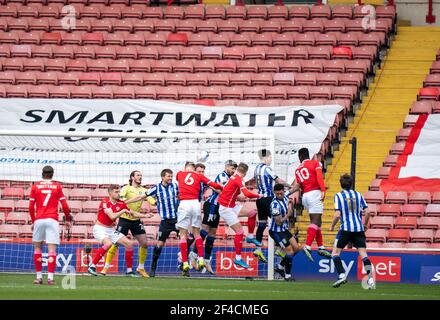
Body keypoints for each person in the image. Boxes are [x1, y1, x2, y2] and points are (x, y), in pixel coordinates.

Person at [124, 169, 179, 277]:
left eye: (171, 176)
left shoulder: (175, 186)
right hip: (165, 221)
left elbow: (183, 195)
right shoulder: (156, 188)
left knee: (187, 238)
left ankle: (184, 264)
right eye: (168, 176)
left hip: (177, 219)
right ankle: (153, 267)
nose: (170, 178)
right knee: (159, 245)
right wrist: (126, 202)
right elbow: (141, 197)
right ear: (163, 177)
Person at [87, 185, 151, 276]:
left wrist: (145, 216)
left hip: (110, 229)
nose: (119, 194)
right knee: (108, 243)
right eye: (116, 192)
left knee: (129, 244)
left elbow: (132, 213)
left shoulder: (121, 203)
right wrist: (123, 211)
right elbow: (112, 216)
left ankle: (129, 271)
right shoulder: (105, 202)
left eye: (119, 192)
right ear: (110, 193)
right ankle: (92, 266)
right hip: (99, 228)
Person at [176, 161, 223, 276]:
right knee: (194, 235)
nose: (201, 173)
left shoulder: (181, 174)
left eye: (203, 171)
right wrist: (224, 187)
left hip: (187, 205)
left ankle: (186, 259)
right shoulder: (199, 177)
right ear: (194, 170)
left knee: (188, 235)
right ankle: (193, 258)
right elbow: (214, 185)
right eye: (199, 171)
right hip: (194, 206)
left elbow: (213, 187)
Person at [329, 174, 375, 289]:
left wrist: (332, 225)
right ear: (351, 183)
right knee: (363, 255)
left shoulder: (338, 196)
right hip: (358, 229)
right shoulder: (358, 195)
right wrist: (365, 224)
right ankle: (370, 280)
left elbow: (338, 214)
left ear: (341, 184)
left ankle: (342, 275)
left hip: (345, 229)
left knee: (335, 253)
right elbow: (368, 212)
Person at [101, 171, 150, 277]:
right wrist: (136, 199)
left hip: (136, 220)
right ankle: (106, 266)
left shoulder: (144, 190)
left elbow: (151, 200)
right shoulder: (126, 189)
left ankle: (140, 268)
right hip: (124, 219)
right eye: (138, 175)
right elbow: (121, 202)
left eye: (141, 175)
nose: (140, 177)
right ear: (132, 177)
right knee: (115, 243)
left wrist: (155, 200)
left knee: (144, 243)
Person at [29, 166, 71, 285]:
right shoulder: (57, 186)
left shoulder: (35, 186)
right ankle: (50, 278)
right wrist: (67, 219)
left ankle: (38, 277)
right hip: (52, 220)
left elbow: (31, 207)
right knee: (51, 249)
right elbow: (65, 206)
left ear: (42, 174)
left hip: (39, 219)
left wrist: (33, 221)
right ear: (52, 174)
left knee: (38, 248)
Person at [218, 162, 263, 269]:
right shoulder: (238, 179)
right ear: (245, 173)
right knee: (240, 232)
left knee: (252, 213)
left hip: (231, 205)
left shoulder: (233, 177)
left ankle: (250, 237)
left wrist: (237, 197)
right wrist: (259, 195)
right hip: (226, 209)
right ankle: (238, 258)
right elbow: (247, 194)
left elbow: (230, 191)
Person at [250, 149, 290, 263]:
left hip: (259, 199)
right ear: (266, 157)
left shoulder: (257, 168)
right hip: (268, 199)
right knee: (277, 221)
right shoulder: (267, 168)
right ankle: (279, 247)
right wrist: (288, 186)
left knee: (262, 225)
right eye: (270, 157)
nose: (271, 159)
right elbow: (278, 181)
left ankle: (258, 249)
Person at [293, 148, 332, 261]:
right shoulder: (315, 163)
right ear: (308, 155)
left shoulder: (297, 170)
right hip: (314, 193)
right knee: (315, 221)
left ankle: (321, 247)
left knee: (317, 222)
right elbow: (320, 177)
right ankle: (308, 246)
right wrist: (323, 190)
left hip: (305, 196)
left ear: (300, 157)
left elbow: (300, 185)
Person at [269, 183, 308, 281]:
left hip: (284, 230)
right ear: (274, 193)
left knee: (296, 248)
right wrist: (288, 215)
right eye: (277, 194)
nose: (279, 195)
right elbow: (278, 222)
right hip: (276, 232)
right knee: (290, 251)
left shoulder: (285, 195)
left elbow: (294, 189)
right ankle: (287, 276)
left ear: (283, 191)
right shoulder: (274, 205)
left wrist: (301, 183)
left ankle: (280, 266)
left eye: (280, 193)